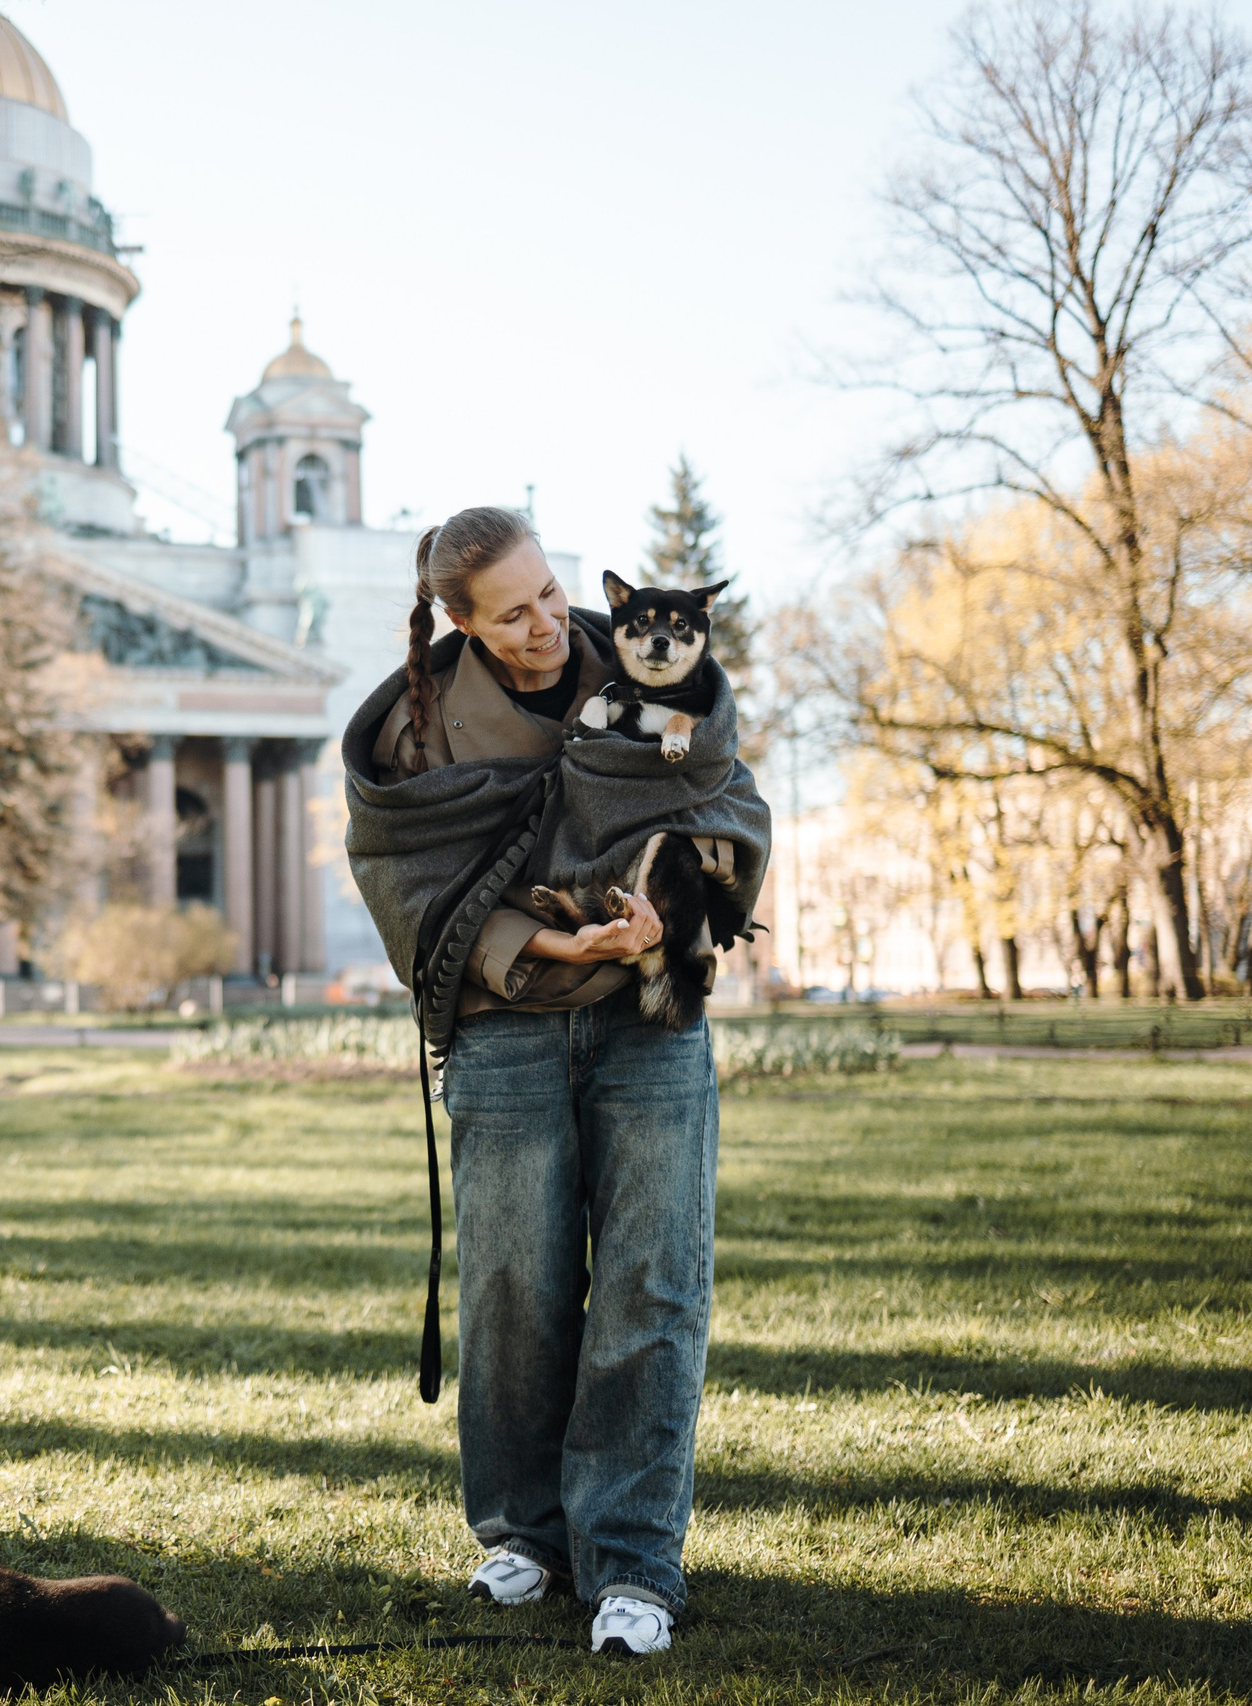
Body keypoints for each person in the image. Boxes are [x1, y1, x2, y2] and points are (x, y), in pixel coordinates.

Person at [346, 505, 766, 1659]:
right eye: (512, 612)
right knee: (513, 1294)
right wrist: (538, 945)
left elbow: (729, 806)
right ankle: (523, 1535)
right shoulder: (414, 732)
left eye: (547, 592)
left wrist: (673, 908)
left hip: (650, 1018)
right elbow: (400, 873)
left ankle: (632, 1556)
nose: (544, 625)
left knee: (651, 1283)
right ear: (462, 624)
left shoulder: (656, 673)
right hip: (506, 1031)